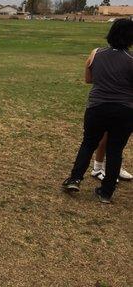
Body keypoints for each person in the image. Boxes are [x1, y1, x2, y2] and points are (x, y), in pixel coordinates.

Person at [62, 18, 133, 203]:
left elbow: (88, 79)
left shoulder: (95, 53)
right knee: (115, 150)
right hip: (125, 110)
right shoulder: (131, 60)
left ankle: (75, 179)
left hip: (97, 107)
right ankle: (106, 192)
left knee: (88, 143)